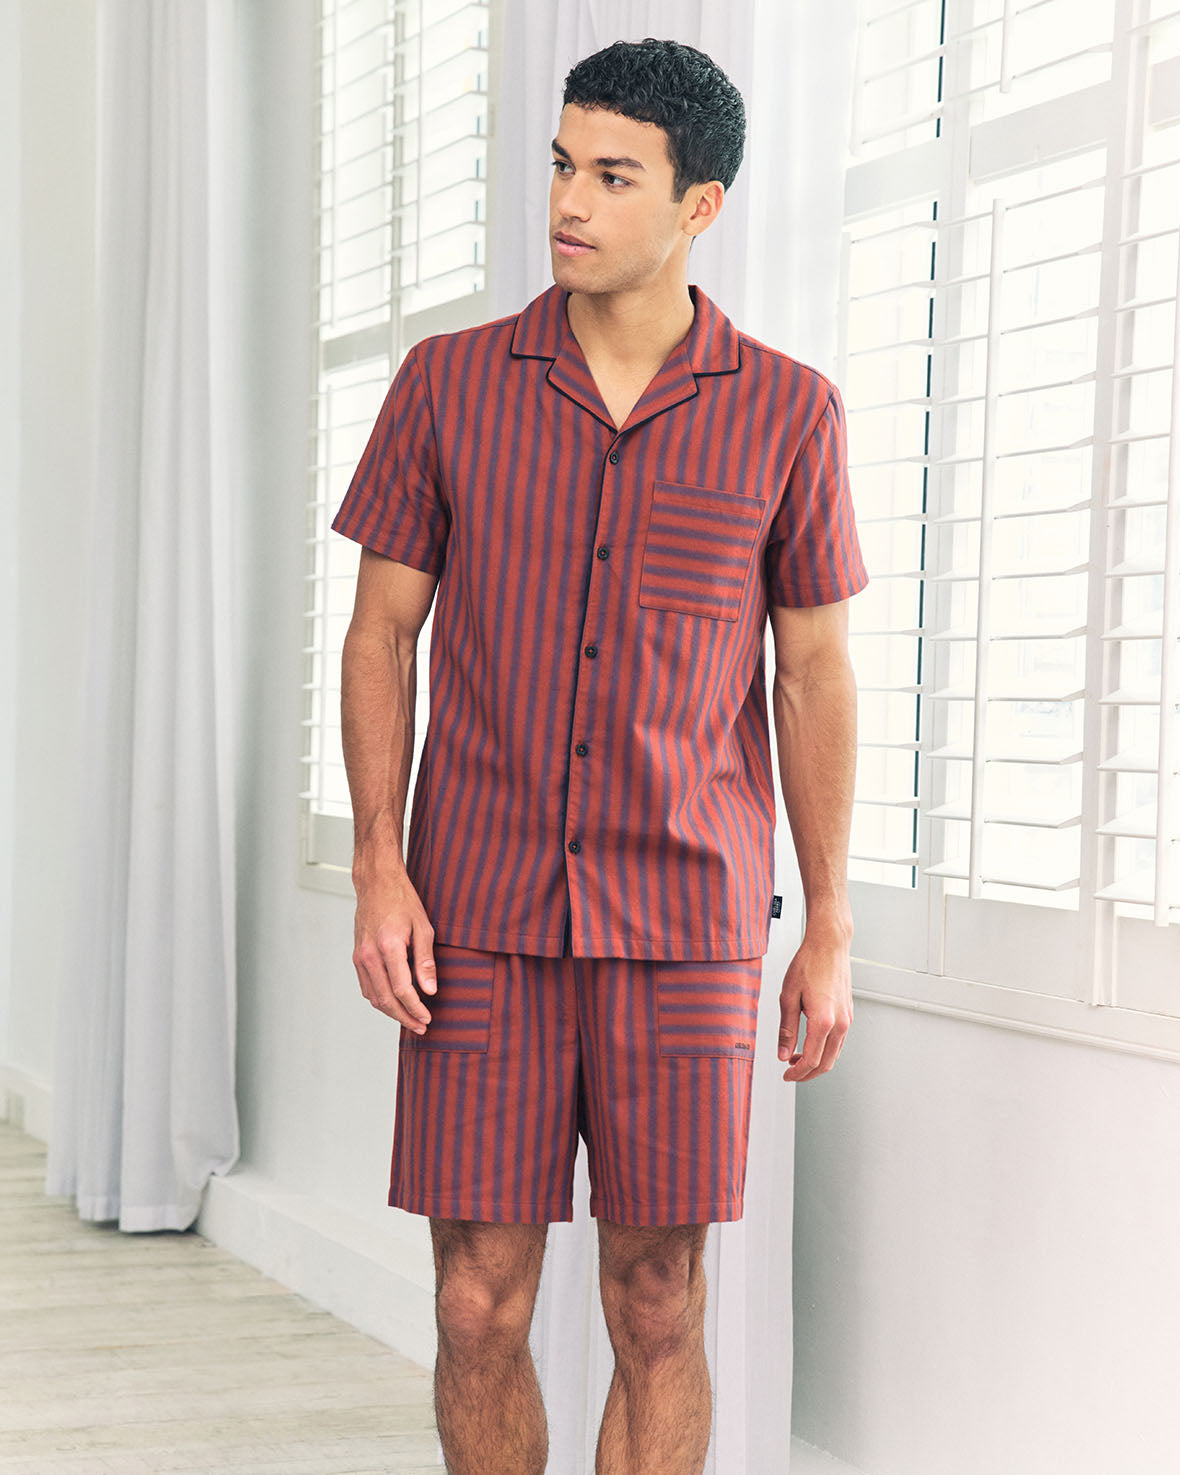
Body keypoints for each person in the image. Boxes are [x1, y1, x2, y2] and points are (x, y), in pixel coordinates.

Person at [333, 35, 868, 1475]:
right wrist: (380, 864)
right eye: (563, 164)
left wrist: (828, 922)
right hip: (477, 915)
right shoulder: (447, 384)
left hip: (684, 920)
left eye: (614, 176)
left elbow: (811, 673)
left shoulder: (790, 410)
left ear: (699, 206)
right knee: (475, 1299)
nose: (569, 201)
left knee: (657, 1300)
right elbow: (381, 634)